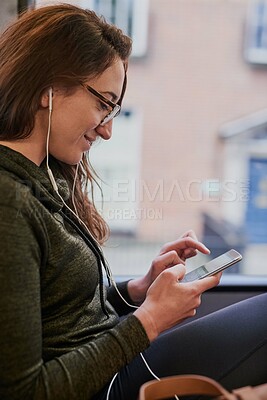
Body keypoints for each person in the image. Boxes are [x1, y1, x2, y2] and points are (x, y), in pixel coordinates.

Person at [0, 4, 266, 400]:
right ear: (49, 89)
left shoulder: (45, 178)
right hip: (106, 385)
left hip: (115, 363)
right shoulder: (9, 203)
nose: (107, 130)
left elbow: (62, 313)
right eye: (103, 103)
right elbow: (23, 391)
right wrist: (149, 320)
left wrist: (138, 291)